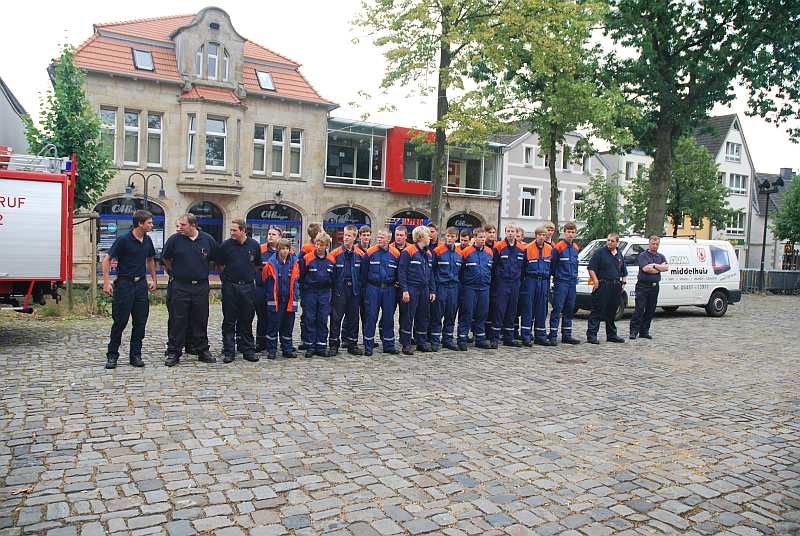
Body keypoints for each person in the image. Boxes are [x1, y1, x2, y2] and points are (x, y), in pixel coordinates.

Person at [102, 209, 158, 369]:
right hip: (124, 284)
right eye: (149, 223)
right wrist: (106, 282)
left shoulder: (147, 240)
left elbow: (150, 260)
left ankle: (135, 355)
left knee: (140, 322)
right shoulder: (123, 240)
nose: (152, 225)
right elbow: (107, 260)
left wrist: (154, 279)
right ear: (140, 223)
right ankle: (112, 355)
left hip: (141, 285)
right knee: (120, 321)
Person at [162, 213, 218, 366]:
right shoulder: (174, 240)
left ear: (193, 225)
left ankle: (202, 350)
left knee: (200, 318)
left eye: (183, 225)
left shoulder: (208, 239)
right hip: (180, 286)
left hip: (200, 286)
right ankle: (174, 351)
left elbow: (214, 259)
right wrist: (174, 272)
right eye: (178, 225)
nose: (179, 228)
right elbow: (165, 259)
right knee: (178, 319)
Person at [215, 218, 261, 363]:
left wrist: (248, 277)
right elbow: (220, 266)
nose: (232, 233)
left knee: (247, 319)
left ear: (243, 230)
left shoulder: (254, 245)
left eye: (234, 230)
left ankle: (247, 349)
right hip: (230, 287)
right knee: (229, 320)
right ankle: (229, 351)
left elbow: (257, 265)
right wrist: (227, 280)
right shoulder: (225, 246)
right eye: (231, 230)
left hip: (248, 287)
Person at [398, 226, 436, 354]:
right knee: (408, 316)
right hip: (411, 288)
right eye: (428, 235)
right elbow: (401, 272)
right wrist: (404, 290)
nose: (430, 237)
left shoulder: (428, 253)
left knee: (423, 316)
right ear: (420, 237)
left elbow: (431, 274)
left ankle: (421, 342)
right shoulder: (408, 251)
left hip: (424, 289)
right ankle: (406, 343)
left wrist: (432, 290)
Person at [328, 225, 365, 356]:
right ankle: (333, 345)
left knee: (353, 318)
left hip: (354, 290)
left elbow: (363, 274)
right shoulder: (335, 253)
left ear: (355, 237)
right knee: (336, 318)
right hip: (340, 290)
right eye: (345, 235)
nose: (346, 238)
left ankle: (352, 344)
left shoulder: (360, 254)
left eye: (349, 235)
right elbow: (330, 274)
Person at [362, 229, 400, 356]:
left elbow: (398, 272)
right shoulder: (370, 252)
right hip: (373, 288)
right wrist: (365, 291)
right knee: (371, 317)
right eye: (378, 237)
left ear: (389, 239)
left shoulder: (395, 254)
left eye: (382, 237)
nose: (379, 239)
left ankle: (389, 345)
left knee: (388, 317)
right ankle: (368, 346)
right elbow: (363, 272)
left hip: (389, 289)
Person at [262, 238, 300, 359]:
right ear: (278, 250)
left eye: (287, 248)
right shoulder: (271, 264)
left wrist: (295, 297)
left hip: (289, 299)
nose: (284, 251)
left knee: (288, 326)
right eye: (282, 249)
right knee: (273, 326)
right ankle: (271, 350)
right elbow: (265, 281)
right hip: (275, 300)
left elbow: (296, 281)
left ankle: (287, 349)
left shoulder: (294, 263)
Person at [586, 232, 627, 344]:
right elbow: (591, 268)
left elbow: (623, 271)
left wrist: (623, 284)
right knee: (597, 310)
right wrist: (595, 281)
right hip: (603, 284)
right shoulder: (600, 253)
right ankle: (592, 335)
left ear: (617, 242)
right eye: (608, 240)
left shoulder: (619, 253)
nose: (609, 242)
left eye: (612, 241)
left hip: (615, 285)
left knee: (612, 311)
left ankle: (611, 334)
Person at [489, 224, 526, 348]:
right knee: (499, 310)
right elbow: (494, 266)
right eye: (508, 231)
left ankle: (508, 338)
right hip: (502, 283)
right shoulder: (499, 246)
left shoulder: (521, 248)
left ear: (516, 233)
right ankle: (494, 338)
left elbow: (523, 267)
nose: (510, 233)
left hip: (515, 283)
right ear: (505, 232)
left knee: (512, 311)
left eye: (512, 231)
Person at [457, 227, 493, 351]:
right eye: (480, 237)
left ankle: (480, 339)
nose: (482, 239)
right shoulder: (466, 252)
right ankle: (462, 338)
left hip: (484, 287)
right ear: (474, 238)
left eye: (484, 237)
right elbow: (460, 271)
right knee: (467, 313)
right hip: (469, 288)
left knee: (482, 314)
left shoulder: (489, 252)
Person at [299, 232, 334, 358]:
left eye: (322, 245)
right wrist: (303, 293)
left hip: (325, 292)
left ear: (327, 246)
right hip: (310, 292)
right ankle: (310, 346)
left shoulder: (331, 259)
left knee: (322, 319)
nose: (319, 247)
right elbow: (301, 276)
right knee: (310, 319)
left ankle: (321, 346)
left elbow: (334, 278)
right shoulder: (307, 258)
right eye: (317, 244)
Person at [629, 235, 669, 340]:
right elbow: (646, 269)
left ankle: (644, 331)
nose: (655, 246)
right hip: (643, 286)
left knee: (650, 309)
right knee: (639, 309)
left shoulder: (661, 256)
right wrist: (658, 267)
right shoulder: (643, 255)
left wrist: (654, 265)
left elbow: (666, 268)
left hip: (654, 286)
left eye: (657, 244)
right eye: (653, 244)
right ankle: (633, 331)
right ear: (649, 244)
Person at [549, 222, 582, 345]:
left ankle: (567, 335)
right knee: (557, 308)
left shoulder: (576, 248)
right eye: (568, 232)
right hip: (561, 282)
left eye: (572, 232)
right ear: (564, 233)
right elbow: (553, 265)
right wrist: (557, 277)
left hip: (572, 282)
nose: (570, 234)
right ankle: (553, 335)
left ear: (575, 233)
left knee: (570, 308)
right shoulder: (558, 247)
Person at [521, 227, 553, 346]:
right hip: (531, 280)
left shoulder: (550, 249)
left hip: (543, 281)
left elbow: (551, 266)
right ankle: (526, 336)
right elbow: (522, 267)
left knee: (541, 309)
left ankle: (540, 336)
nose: (541, 237)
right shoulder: (527, 248)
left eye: (543, 235)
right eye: (539, 235)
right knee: (528, 308)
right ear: (536, 235)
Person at [431, 227, 462, 351]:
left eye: (452, 236)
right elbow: (432, 271)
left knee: (451, 314)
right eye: (448, 236)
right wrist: (433, 289)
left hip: (454, 288)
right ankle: (434, 340)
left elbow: (461, 272)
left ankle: (448, 340)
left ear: (456, 238)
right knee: (437, 315)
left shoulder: (459, 253)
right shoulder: (437, 251)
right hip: (441, 287)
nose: (450, 238)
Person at [255, 227, 281, 352]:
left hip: (278, 290)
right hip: (262, 288)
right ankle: (260, 343)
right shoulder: (260, 250)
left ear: (280, 237)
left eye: (273, 234)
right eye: (269, 234)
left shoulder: (286, 250)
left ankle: (274, 342)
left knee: (276, 317)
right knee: (262, 316)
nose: (270, 236)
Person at [299, 222, 322, 352]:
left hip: (320, 288)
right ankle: (306, 339)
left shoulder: (322, 245)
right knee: (307, 315)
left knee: (318, 315)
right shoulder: (306, 248)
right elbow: (301, 267)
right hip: (308, 287)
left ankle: (316, 339)